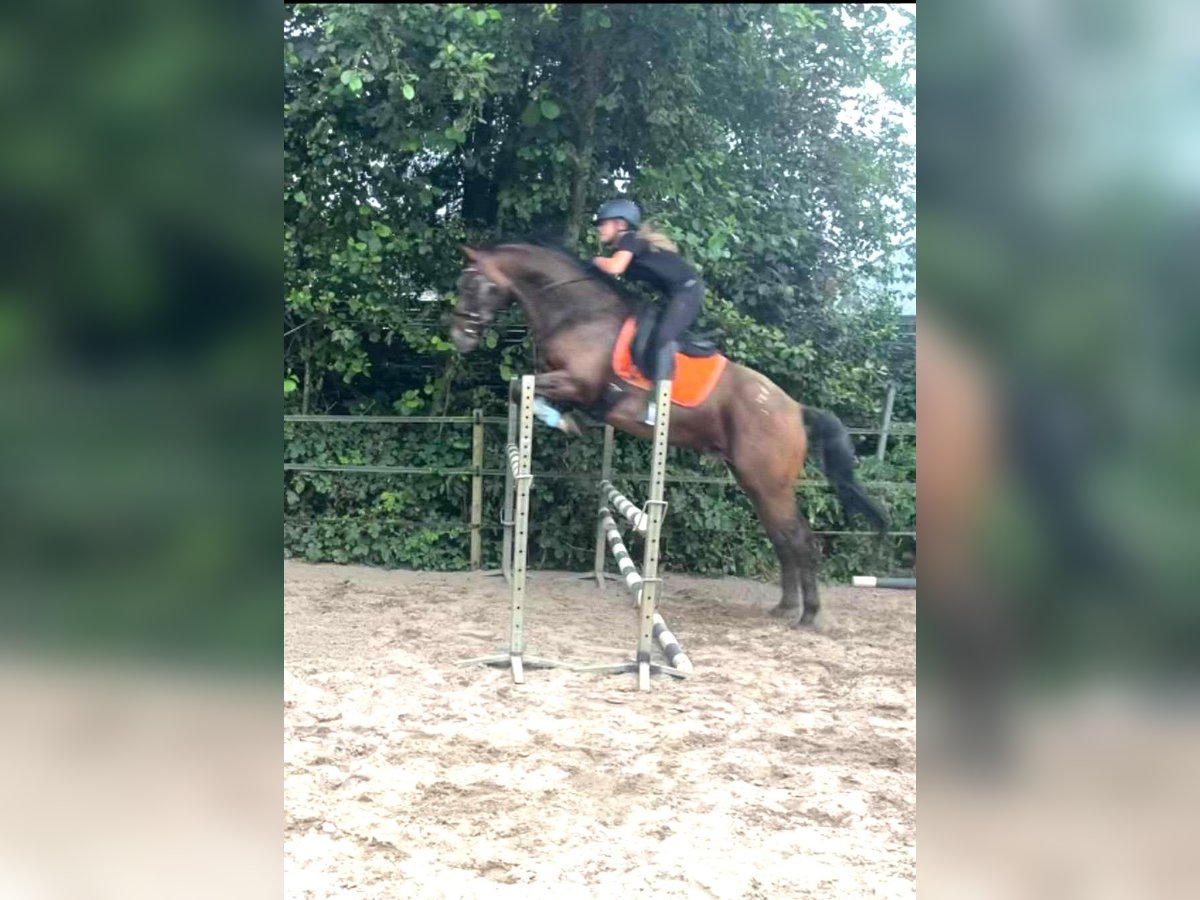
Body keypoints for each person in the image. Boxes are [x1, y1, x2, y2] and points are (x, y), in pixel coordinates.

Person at [591, 199, 704, 425]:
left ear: (620, 224)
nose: (599, 228)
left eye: (603, 223)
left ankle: (657, 405)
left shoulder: (631, 240)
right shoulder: (627, 248)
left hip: (687, 292)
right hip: (673, 296)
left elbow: (614, 268)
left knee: (663, 337)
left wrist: (592, 261)